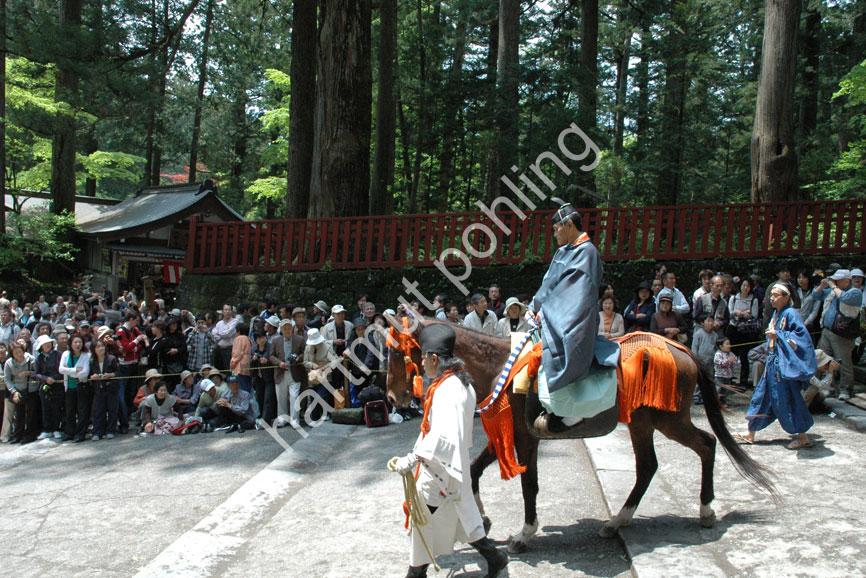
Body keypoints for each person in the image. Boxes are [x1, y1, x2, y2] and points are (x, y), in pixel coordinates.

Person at [389, 324, 508, 578]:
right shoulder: (458, 383)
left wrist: (412, 459)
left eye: (423, 358)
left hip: (441, 471)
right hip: (451, 467)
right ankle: (495, 558)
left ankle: (416, 573)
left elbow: (445, 435)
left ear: (434, 359)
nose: (421, 363)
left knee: (421, 522)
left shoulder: (448, 390)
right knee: (464, 516)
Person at [529, 201, 612, 429]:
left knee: (559, 350)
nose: (555, 233)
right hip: (550, 313)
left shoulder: (587, 252)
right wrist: (535, 306)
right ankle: (547, 403)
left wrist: (546, 311)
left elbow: (576, 293)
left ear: (567, 225)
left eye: (556, 228)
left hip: (574, 318)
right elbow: (549, 283)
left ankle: (572, 413)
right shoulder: (564, 250)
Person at [739, 282, 815, 450]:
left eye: (775, 295)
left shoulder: (791, 313)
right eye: (771, 295)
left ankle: (802, 436)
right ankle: (751, 432)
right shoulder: (776, 314)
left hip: (784, 367)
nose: (771, 298)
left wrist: (779, 335)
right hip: (772, 364)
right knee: (761, 396)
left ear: (786, 297)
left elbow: (801, 337)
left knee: (789, 399)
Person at [815, 269, 863, 400]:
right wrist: (822, 286)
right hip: (827, 330)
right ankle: (826, 388)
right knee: (823, 360)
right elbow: (816, 296)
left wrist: (833, 286)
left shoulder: (855, 292)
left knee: (844, 362)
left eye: (838, 279)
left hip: (843, 334)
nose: (834, 281)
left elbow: (844, 297)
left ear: (847, 281)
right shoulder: (832, 290)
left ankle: (845, 389)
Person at [271, 318, 306, 428]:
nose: (287, 329)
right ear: (281, 329)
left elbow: (305, 353)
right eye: (284, 327)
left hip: (294, 373)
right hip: (280, 373)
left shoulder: (300, 339)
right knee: (281, 398)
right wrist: (279, 363)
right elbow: (271, 356)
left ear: (292, 328)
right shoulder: (275, 340)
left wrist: (298, 358)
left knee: (294, 396)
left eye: (289, 327)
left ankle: (294, 420)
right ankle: (282, 419)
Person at [727, 277, 760, 383]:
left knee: (744, 355)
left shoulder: (754, 300)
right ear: (740, 286)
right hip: (734, 328)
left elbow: (754, 315)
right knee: (731, 353)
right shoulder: (734, 298)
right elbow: (730, 313)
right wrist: (739, 313)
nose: (745, 288)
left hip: (746, 331)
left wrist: (745, 315)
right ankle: (729, 377)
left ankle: (744, 379)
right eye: (743, 285)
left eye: (748, 286)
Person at [59, 335, 90, 442]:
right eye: (75, 342)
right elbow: (61, 369)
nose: (78, 344)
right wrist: (75, 370)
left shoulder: (86, 355)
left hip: (82, 386)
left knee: (82, 411)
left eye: (80, 342)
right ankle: (69, 433)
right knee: (70, 411)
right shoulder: (65, 354)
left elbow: (85, 372)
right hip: (69, 387)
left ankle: (80, 434)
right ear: (71, 344)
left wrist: (69, 371)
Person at [5, 341, 37, 444]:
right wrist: (13, 392)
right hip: (18, 390)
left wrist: (29, 373)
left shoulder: (31, 359)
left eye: (20, 351)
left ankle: (30, 435)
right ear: (12, 354)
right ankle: (18, 435)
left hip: (31, 389)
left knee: (31, 414)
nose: (19, 354)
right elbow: (7, 379)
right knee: (19, 413)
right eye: (16, 353)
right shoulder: (9, 363)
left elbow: (39, 373)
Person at [33, 335, 63, 441]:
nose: (47, 345)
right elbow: (36, 374)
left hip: (57, 384)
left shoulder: (58, 355)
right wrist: (46, 379)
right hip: (44, 386)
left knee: (56, 408)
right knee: (45, 408)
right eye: (45, 344)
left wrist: (53, 378)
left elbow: (61, 369)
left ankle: (56, 429)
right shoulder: (39, 358)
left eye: (48, 343)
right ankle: (47, 430)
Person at [304, 328, 337, 422]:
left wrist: (324, 367)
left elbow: (335, 361)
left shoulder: (327, 347)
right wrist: (312, 365)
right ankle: (314, 417)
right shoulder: (308, 348)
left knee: (322, 395)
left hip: (325, 376)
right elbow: (305, 362)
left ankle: (325, 414)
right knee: (313, 396)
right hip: (312, 377)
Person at [89, 340, 119, 440]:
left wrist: (111, 375)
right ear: (94, 349)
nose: (101, 348)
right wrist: (93, 376)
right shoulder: (92, 361)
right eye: (97, 347)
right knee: (98, 411)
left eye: (102, 346)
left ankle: (111, 430)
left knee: (112, 410)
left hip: (111, 388)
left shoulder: (112, 358)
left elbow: (119, 372)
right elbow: (89, 375)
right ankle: (97, 432)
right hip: (98, 389)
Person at [251, 331, 275, 423]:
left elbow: (274, 359)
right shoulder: (253, 349)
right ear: (256, 340)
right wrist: (253, 360)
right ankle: (261, 417)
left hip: (269, 377)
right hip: (258, 377)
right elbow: (250, 363)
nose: (261, 339)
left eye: (263, 337)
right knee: (259, 398)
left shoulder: (270, 347)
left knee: (268, 399)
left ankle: (266, 420)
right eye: (259, 338)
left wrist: (267, 361)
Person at [713, 337, 740, 407]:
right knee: (718, 389)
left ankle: (723, 402)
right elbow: (719, 363)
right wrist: (728, 360)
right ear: (721, 346)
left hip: (728, 376)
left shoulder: (731, 353)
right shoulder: (718, 354)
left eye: (730, 343)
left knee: (725, 390)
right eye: (727, 344)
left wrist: (735, 361)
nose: (730, 345)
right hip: (719, 376)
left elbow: (737, 362)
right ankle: (715, 402)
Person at [212, 304, 238, 371]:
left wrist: (219, 334)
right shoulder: (219, 323)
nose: (227, 312)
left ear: (232, 311)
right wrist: (222, 334)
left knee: (229, 369)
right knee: (219, 370)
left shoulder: (235, 321)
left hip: (230, 349)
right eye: (226, 310)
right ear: (223, 312)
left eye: (229, 310)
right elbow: (214, 335)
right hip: (219, 349)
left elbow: (227, 334)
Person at [230, 322, 252, 392]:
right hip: (247, 365)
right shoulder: (248, 339)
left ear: (238, 331)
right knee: (247, 387)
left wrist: (232, 364)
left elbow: (237, 354)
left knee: (242, 388)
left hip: (239, 366)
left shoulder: (239, 338)